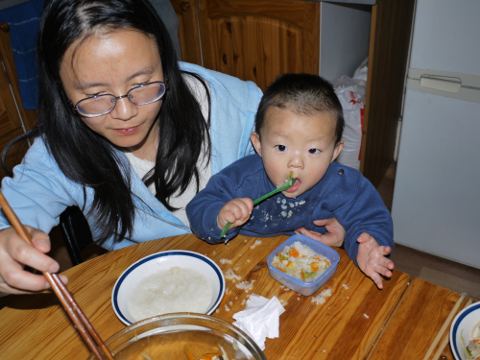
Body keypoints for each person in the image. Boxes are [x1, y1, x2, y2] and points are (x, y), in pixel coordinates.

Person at [0, 0, 344, 295]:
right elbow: (12, 215)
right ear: (61, 89)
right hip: (154, 290)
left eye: (143, 84)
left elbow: (311, 165)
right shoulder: (57, 152)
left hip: (252, 271)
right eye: (94, 96)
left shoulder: (238, 108)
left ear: (166, 62)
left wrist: (335, 213)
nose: (125, 113)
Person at [187, 73, 395, 289]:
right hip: (241, 267)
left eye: (313, 150)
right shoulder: (242, 179)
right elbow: (199, 208)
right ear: (258, 144)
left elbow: (372, 219)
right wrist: (220, 217)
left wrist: (369, 246)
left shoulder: (344, 185)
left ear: (335, 152)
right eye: (281, 148)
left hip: (310, 273)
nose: (296, 164)